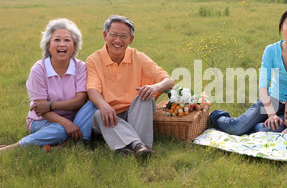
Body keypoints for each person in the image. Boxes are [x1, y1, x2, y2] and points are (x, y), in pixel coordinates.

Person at [0, 19, 97, 153]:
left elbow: (81, 100)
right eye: (57, 40)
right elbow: (41, 109)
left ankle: (71, 143)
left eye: (67, 40)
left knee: (93, 104)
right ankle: (14, 148)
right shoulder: (38, 69)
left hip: (75, 119)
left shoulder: (80, 67)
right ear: (48, 45)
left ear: (74, 45)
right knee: (61, 131)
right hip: (42, 120)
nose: (62, 44)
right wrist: (66, 124)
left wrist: (51, 105)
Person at [86, 15, 174, 157]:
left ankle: (127, 148)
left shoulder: (138, 56)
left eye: (123, 36)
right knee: (98, 114)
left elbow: (168, 81)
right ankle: (139, 147)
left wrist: (154, 87)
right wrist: (103, 105)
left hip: (135, 115)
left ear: (130, 39)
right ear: (105, 35)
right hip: (111, 115)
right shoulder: (93, 60)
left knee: (145, 97)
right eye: (113, 35)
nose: (118, 40)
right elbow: (92, 89)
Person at [210, 7, 287, 135]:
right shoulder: (271, 50)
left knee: (261, 131)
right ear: (281, 27)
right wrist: (271, 114)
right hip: (271, 101)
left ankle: (253, 125)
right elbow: (263, 85)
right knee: (236, 128)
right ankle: (217, 115)